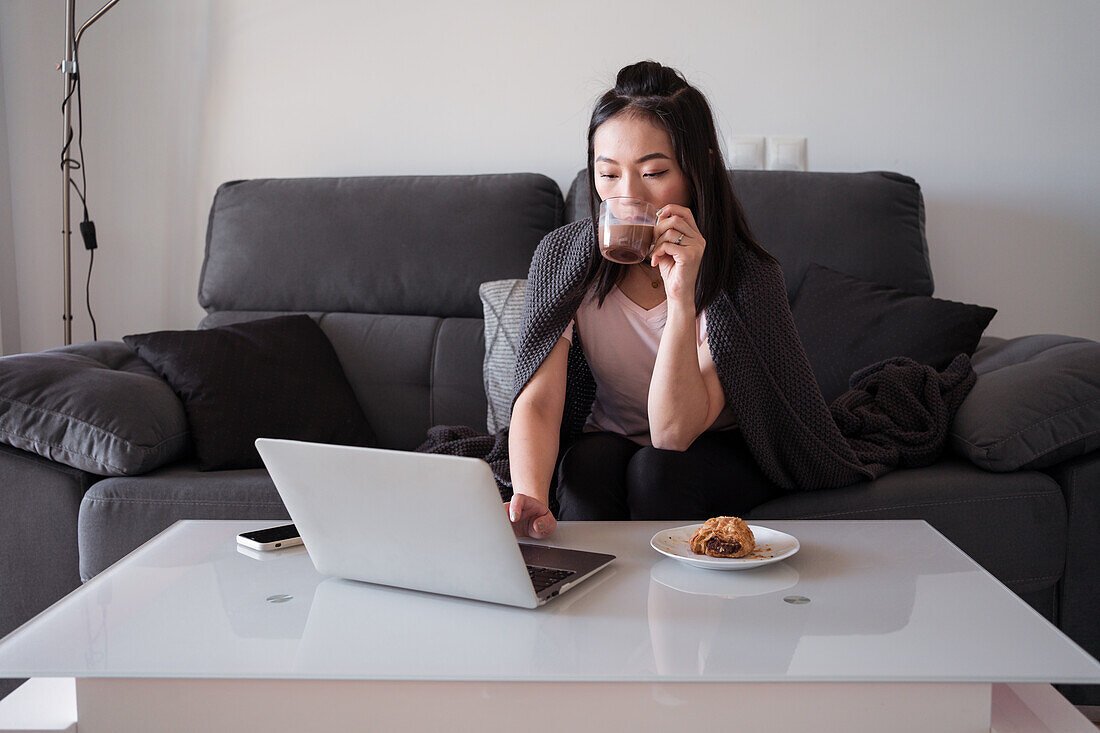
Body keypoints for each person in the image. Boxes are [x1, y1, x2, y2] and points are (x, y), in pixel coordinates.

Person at [506, 61, 789, 539]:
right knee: (585, 469)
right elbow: (540, 398)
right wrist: (528, 496)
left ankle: (676, 609)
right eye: (608, 174)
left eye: (654, 172)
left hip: (712, 445)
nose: (628, 194)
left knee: (657, 470)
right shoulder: (562, 259)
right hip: (609, 438)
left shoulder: (742, 273)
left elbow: (673, 434)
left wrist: (681, 296)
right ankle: (583, 600)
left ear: (695, 169)